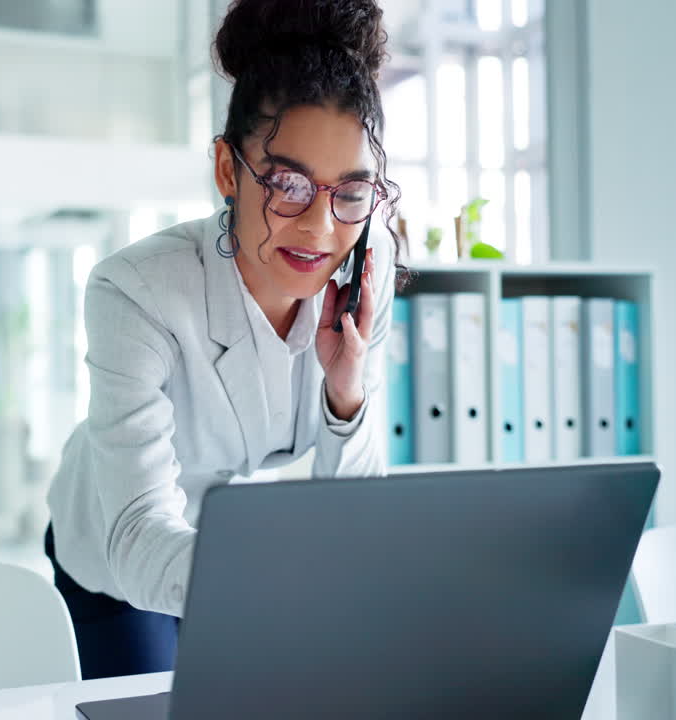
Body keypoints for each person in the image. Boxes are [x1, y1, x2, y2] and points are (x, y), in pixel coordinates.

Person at [44, 0, 407, 680]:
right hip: (117, 551)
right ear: (227, 171)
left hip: (230, 546)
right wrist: (283, 580)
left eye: (351, 191)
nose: (322, 228)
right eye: (289, 185)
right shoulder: (137, 293)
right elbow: (138, 537)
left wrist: (345, 392)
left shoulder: (367, 263)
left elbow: (354, 510)